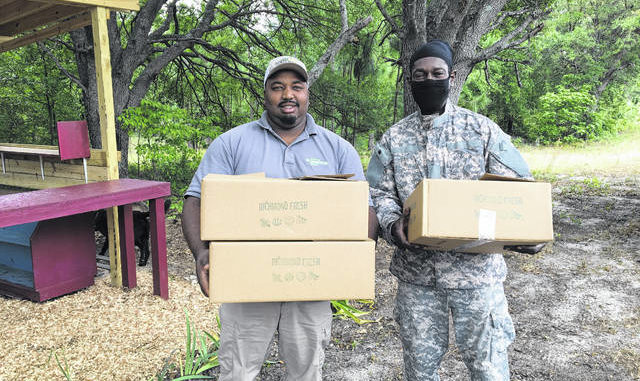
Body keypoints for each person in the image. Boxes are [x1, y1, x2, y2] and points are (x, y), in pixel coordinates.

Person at [182, 55, 378, 381]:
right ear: (265, 95)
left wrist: (353, 259)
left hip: (312, 284)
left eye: (296, 87)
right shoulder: (232, 144)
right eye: (278, 87)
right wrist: (202, 251)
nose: (288, 94)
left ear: (307, 94)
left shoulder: (338, 150)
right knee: (236, 371)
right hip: (245, 280)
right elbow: (195, 200)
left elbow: (363, 209)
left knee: (306, 371)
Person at [366, 40, 543, 381]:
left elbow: (521, 188)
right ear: (410, 80)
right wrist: (391, 225)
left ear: (452, 76)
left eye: (437, 74)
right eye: (420, 75)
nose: (429, 81)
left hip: (478, 277)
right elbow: (378, 194)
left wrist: (528, 231)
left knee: (489, 369)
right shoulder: (393, 138)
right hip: (418, 277)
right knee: (420, 370)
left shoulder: (482, 130)